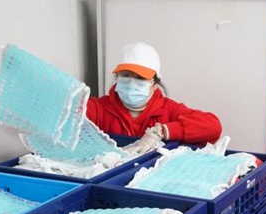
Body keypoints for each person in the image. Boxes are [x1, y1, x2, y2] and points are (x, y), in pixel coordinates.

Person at [86, 42, 222, 155]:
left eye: (140, 77)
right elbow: (71, 116)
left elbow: (213, 126)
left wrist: (162, 131)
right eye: (126, 75)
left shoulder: (169, 110)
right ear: (117, 78)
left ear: (155, 83)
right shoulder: (99, 108)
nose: (132, 82)